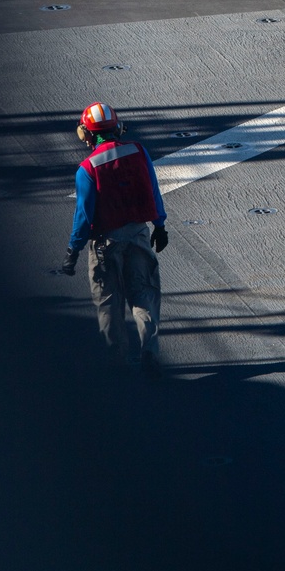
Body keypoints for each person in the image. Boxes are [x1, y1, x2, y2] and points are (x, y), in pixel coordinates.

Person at [59, 102, 168, 372]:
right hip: (139, 235)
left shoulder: (87, 168)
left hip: (104, 245)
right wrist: (160, 225)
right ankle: (149, 351)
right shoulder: (138, 151)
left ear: (86, 134)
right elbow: (153, 190)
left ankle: (116, 363)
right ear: (117, 128)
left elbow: (83, 216)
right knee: (143, 293)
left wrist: (73, 251)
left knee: (108, 301)